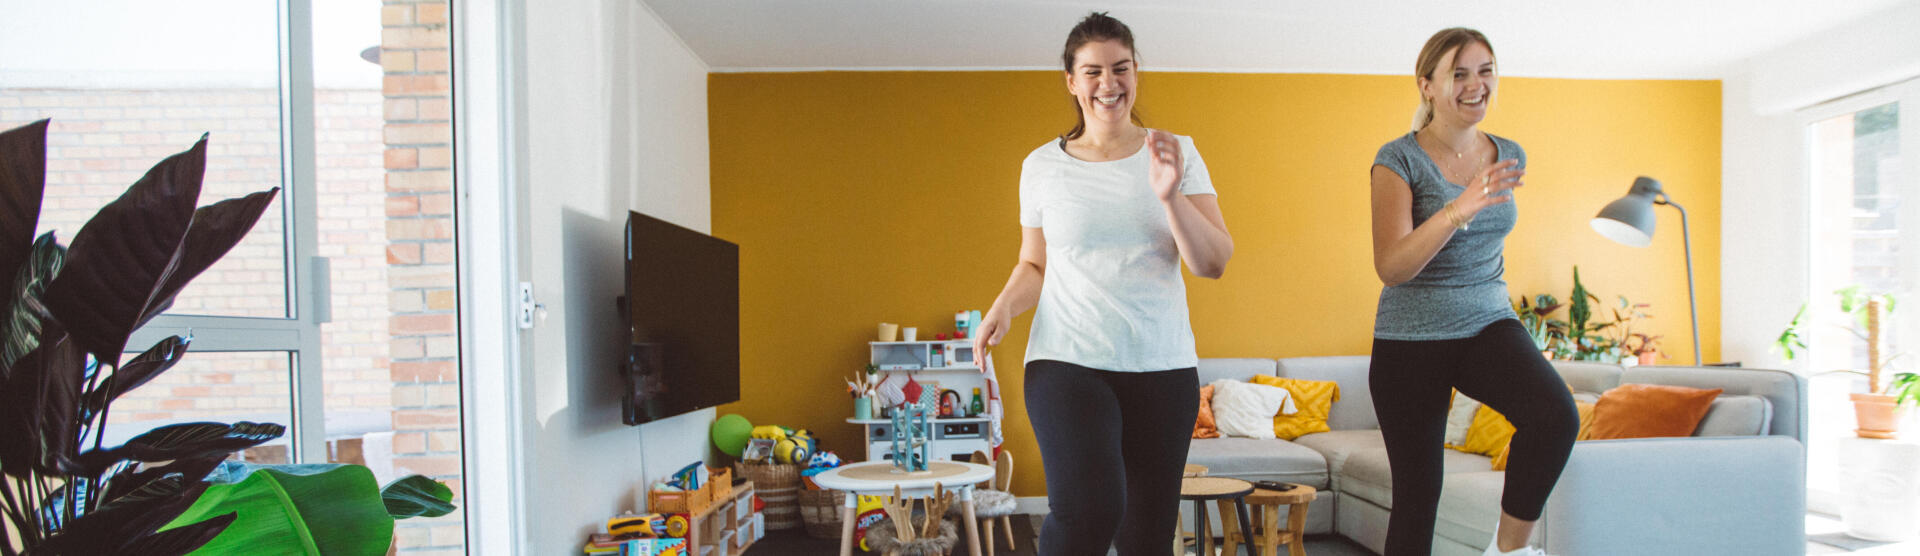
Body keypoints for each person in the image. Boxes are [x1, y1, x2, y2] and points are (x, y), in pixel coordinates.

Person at [970, 12, 1233, 554]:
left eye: (1120, 68)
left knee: (1147, 537)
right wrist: (1003, 307)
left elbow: (1213, 262)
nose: (1108, 84)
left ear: (1137, 72)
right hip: (1067, 360)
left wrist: (1169, 195)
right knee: (1090, 510)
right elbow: (1034, 265)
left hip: (1161, 366)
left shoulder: (1175, 152)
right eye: (1092, 72)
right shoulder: (1042, 166)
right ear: (1071, 81)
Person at [1367, 27, 1580, 556]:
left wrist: (1475, 203)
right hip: (1409, 337)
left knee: (1555, 417)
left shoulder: (1507, 153)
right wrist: (1459, 208)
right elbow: (1392, 267)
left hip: (1486, 320)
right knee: (1418, 497)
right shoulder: (1398, 160)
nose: (1476, 84)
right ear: (1428, 87)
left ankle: (1507, 553)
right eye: (1459, 73)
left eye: (1485, 71)